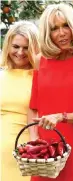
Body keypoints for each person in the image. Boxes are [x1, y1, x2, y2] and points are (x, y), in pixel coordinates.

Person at [28, 3, 73, 181]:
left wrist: (61, 116)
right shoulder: (40, 61)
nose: (61, 33)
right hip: (45, 152)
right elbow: (33, 107)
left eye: (66, 25)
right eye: (54, 28)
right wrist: (33, 139)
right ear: (47, 33)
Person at [0, 20, 40, 181]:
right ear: (8, 45)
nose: (20, 52)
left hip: (28, 153)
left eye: (26, 48)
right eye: (16, 46)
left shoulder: (41, 77)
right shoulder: (1, 76)